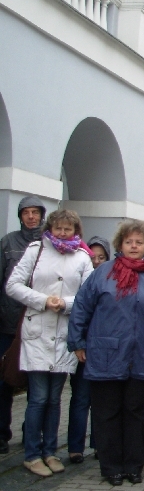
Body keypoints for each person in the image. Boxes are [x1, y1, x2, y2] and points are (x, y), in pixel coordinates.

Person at [67, 219, 144, 486]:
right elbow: (82, 307)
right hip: (106, 354)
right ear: (120, 245)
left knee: (137, 414)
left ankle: (133, 465)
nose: (133, 246)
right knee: (106, 413)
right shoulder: (102, 273)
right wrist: (78, 342)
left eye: (139, 242)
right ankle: (111, 467)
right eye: (129, 242)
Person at [6, 209, 93, 477]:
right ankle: (32, 454)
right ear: (50, 229)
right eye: (58, 229)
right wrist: (43, 300)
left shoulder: (82, 257)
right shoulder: (36, 251)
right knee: (38, 398)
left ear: (76, 231)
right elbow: (13, 285)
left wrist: (65, 303)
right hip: (37, 331)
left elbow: (89, 295)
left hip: (65, 333)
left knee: (54, 399)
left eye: (68, 229)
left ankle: (50, 451)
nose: (63, 234)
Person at [0, 195, 46, 454]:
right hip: (8, 324)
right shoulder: (8, 242)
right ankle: (1, 433)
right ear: (20, 216)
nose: (31, 217)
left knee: (35, 386)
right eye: (26, 212)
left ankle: (32, 433)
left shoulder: (48, 243)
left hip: (38, 324)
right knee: (4, 381)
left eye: (35, 212)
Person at [67, 235, 111, 463]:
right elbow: (78, 314)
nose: (96, 262)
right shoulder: (83, 281)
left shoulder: (109, 279)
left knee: (100, 401)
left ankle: (98, 445)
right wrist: (78, 343)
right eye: (93, 257)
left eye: (101, 257)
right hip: (85, 348)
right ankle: (75, 447)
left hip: (104, 349)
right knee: (80, 398)